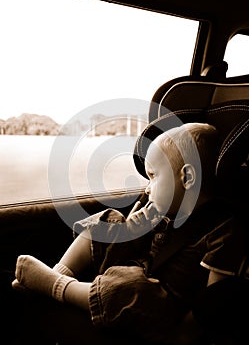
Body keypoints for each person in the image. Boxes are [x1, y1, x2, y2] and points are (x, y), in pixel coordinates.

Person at [11, 122, 248, 345]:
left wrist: (181, 335)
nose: (146, 187)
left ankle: (57, 286)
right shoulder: (163, 210)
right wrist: (134, 230)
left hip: (162, 304)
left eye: (153, 176)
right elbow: (144, 250)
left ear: (187, 177)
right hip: (139, 268)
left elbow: (213, 303)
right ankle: (59, 271)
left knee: (127, 289)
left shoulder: (225, 231)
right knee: (107, 221)